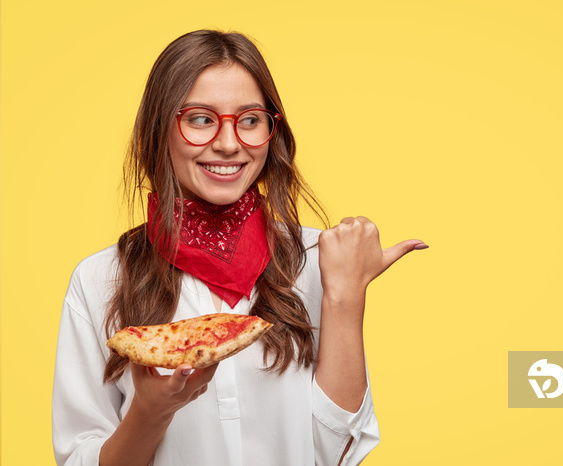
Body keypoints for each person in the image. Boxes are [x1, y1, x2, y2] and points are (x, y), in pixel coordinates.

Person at [52, 29, 427, 466]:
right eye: (200, 119)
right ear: (159, 130)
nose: (229, 144)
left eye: (249, 120)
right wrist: (149, 414)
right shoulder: (100, 279)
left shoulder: (321, 260)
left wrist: (346, 297)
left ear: (272, 131)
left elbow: (335, 456)